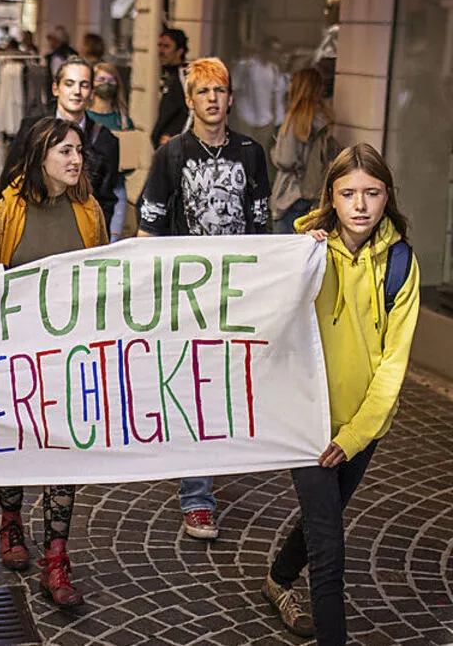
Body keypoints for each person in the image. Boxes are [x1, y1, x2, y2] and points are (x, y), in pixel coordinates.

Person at [266, 143, 419, 644]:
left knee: (324, 516)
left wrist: (355, 435)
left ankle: (278, 578)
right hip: (305, 418)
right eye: (348, 193)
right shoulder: (304, 251)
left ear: (387, 195)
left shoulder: (401, 262)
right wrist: (299, 255)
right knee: (329, 545)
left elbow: (393, 364)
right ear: (330, 197)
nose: (360, 205)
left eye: (371, 193)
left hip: (362, 426)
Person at [0, 118, 107, 608]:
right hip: (15, 355)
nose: (75, 159)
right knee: (16, 445)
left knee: (63, 454)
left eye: (79, 151)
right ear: (39, 156)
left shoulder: (89, 211)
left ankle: (56, 559)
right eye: (65, 151)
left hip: (69, 358)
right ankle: (10, 522)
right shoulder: (4, 213)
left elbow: (103, 279)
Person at [137, 57, 270, 541]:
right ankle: (197, 498)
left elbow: (262, 230)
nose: (212, 99)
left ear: (230, 99)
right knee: (195, 389)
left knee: (223, 390)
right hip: (187, 295)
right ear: (190, 101)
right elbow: (148, 230)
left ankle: (209, 466)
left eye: (219, 91)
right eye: (203, 92)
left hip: (236, 294)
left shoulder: (252, 154)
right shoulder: (171, 156)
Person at [1, 57, 121, 231]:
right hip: (31, 227)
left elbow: (106, 200)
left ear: (91, 92)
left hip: (79, 232)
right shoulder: (32, 129)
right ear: (56, 88)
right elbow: (10, 181)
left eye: (84, 85)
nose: (76, 91)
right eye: (69, 84)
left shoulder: (105, 140)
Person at [271, 67, 334, 233]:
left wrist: (274, 152)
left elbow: (285, 159)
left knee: (284, 245)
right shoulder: (323, 119)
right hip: (311, 192)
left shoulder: (295, 120)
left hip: (290, 194)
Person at [87, 61, 136, 240]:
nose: (106, 84)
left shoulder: (123, 121)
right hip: (91, 187)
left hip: (117, 187)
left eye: (111, 80)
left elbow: (131, 159)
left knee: (112, 239)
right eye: (101, 79)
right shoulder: (85, 118)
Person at [231, 37, 287, 179]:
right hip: (246, 118)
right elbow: (234, 88)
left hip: (265, 120)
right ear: (265, 50)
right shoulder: (248, 66)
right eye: (274, 50)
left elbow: (275, 95)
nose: (276, 54)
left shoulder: (273, 70)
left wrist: (275, 119)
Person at [151, 28, 190, 149]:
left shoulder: (185, 77)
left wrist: (177, 139)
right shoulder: (167, 75)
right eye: (160, 45)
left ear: (179, 51)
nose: (161, 51)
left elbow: (192, 112)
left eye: (167, 46)